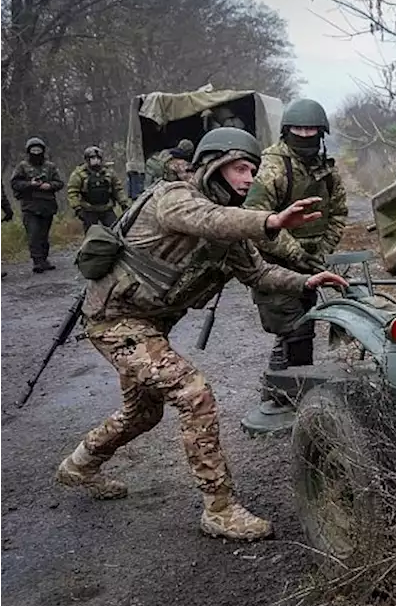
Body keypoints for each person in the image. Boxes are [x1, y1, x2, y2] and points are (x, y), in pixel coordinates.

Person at [53, 126, 349, 541]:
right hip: (114, 321)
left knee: (143, 413)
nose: (249, 179)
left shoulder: (230, 235)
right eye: (240, 168)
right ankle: (220, 509)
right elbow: (208, 219)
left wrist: (306, 282)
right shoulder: (173, 197)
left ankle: (79, 465)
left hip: (147, 327)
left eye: (253, 170)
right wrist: (271, 220)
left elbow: (259, 272)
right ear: (212, 166)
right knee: (194, 394)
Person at [243, 98, 349, 372]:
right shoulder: (272, 168)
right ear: (287, 130)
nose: (304, 135)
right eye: (298, 129)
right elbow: (255, 222)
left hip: (312, 263)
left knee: (303, 328)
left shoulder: (326, 170)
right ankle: (282, 395)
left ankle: (288, 391)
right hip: (276, 265)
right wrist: (296, 254)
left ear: (321, 132)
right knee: (293, 331)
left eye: (310, 130)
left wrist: (322, 251)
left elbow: (337, 213)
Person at [9, 136, 64, 273]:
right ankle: (37, 261)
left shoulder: (50, 166)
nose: (36, 152)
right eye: (33, 150)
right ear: (28, 151)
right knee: (33, 234)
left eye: (38, 149)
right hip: (30, 206)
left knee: (44, 235)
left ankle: (44, 259)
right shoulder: (22, 166)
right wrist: (30, 184)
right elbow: (15, 183)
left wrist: (49, 186)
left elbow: (60, 183)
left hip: (47, 205)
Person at [67, 146, 131, 232]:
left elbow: (117, 189)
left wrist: (123, 203)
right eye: (92, 158)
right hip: (89, 209)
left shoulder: (109, 172)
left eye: (98, 158)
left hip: (106, 208)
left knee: (116, 231)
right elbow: (72, 192)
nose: (95, 160)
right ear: (87, 159)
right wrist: (77, 208)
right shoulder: (79, 174)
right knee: (92, 235)